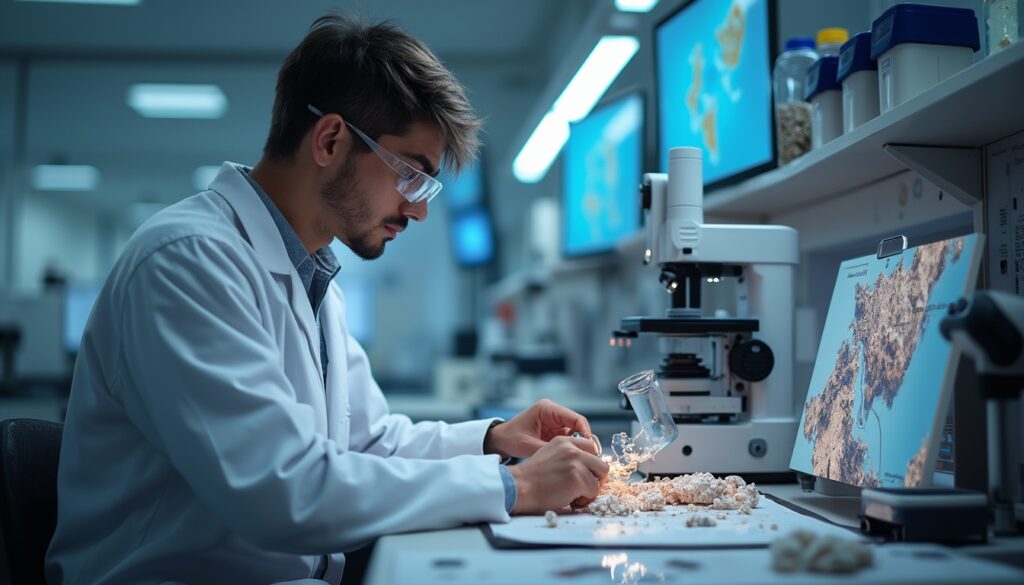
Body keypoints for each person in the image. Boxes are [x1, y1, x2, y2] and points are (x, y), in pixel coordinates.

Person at [45, 12, 609, 585]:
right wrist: (513, 486)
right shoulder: (188, 261)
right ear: (331, 139)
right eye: (411, 176)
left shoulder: (310, 275)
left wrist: (493, 441)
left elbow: (366, 443)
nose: (419, 210)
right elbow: (284, 492)